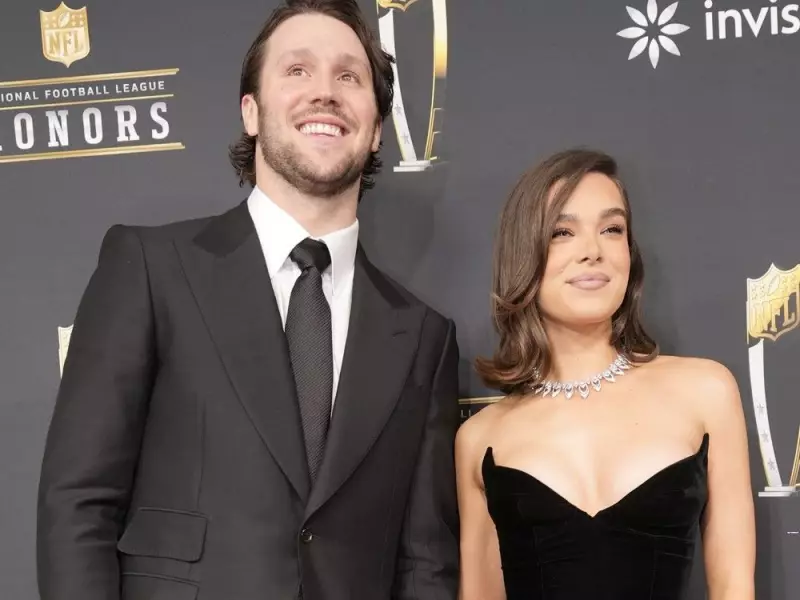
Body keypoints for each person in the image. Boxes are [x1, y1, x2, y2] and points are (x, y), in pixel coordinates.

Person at [35, 1, 460, 599]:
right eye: (297, 70)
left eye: (348, 76)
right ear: (251, 112)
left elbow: (424, 563)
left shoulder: (423, 336)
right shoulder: (152, 268)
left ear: (376, 130)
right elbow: (79, 502)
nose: (325, 92)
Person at [456, 149, 755, 600]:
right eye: (562, 232)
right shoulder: (481, 437)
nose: (592, 252)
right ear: (523, 254)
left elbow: (734, 587)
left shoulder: (706, 392)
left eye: (612, 229)